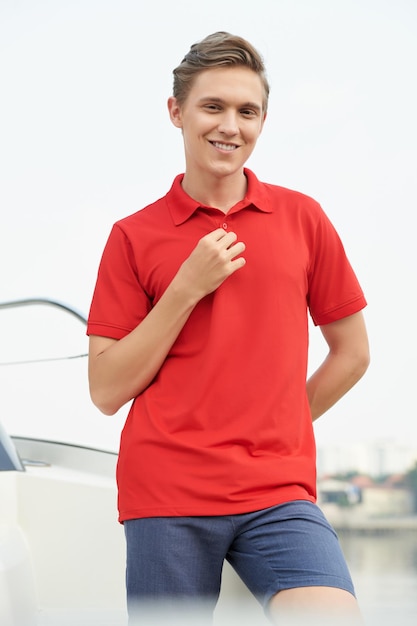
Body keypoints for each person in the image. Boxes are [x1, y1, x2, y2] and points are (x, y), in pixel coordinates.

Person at [87, 31, 370, 625]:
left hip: (277, 490)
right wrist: (186, 287)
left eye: (248, 111)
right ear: (177, 113)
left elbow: (352, 352)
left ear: (263, 119)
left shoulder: (303, 218)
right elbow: (106, 389)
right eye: (213, 106)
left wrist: (277, 424)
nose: (230, 126)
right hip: (166, 491)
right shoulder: (132, 236)